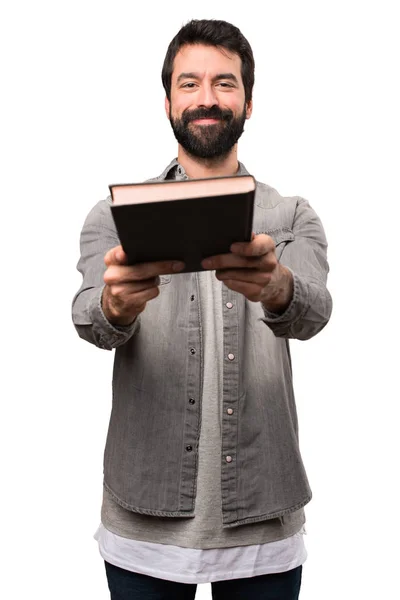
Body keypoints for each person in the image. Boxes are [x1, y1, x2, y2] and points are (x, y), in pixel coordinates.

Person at [72, 18, 332, 600]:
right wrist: (115, 307)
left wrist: (278, 287)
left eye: (225, 83)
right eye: (189, 84)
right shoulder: (113, 216)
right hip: (144, 519)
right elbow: (88, 315)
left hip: (263, 516)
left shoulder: (292, 216)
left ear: (247, 101)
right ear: (168, 101)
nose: (207, 99)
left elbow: (316, 311)